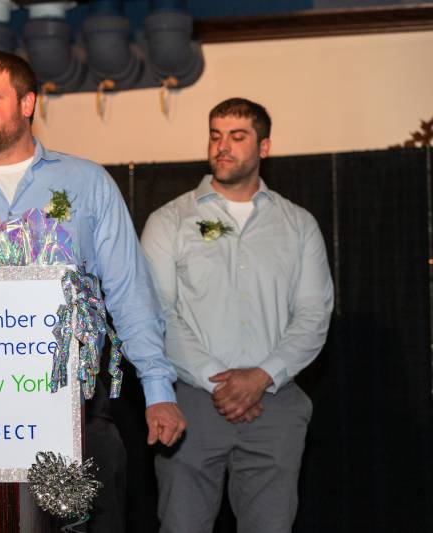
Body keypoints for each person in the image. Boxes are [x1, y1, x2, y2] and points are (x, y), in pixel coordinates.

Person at [0, 50, 186, 531]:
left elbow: (128, 291)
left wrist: (158, 388)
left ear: (27, 103)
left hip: (75, 406)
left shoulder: (87, 184)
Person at [141, 97, 334, 533]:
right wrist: (220, 381)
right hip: (189, 401)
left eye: (237, 136)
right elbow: (157, 314)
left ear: (264, 147)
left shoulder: (298, 225)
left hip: (275, 402)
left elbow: (313, 315)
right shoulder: (169, 220)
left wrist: (261, 376)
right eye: (215, 135)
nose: (222, 147)